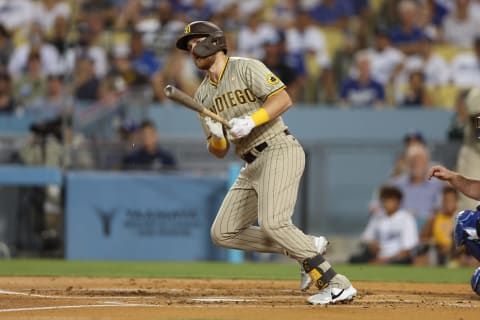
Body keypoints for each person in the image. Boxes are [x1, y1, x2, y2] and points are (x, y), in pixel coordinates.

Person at [175, 20, 356, 305]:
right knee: (222, 232)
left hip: (277, 148)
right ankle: (307, 246)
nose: (193, 50)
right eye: (189, 47)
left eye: (196, 43)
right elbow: (219, 151)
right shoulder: (202, 95)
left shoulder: (246, 67)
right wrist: (217, 135)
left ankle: (335, 283)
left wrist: (251, 120)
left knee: (274, 222)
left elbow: (283, 99)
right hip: (250, 164)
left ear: (215, 41)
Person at [350, 185, 419, 265]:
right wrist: (371, 244)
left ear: (398, 201)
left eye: (388, 200)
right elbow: (365, 238)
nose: (385, 203)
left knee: (400, 262)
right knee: (354, 259)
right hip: (377, 256)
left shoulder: (407, 218)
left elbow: (407, 249)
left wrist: (386, 260)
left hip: (396, 259)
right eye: (383, 200)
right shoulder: (377, 217)